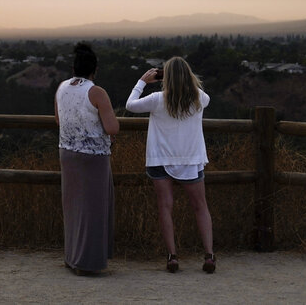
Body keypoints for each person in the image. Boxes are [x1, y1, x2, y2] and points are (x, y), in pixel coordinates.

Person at [126, 56, 215, 273]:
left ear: (165, 77)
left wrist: (142, 82)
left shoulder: (157, 99)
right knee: (200, 207)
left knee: (165, 207)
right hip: (190, 160)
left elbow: (130, 105)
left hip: (161, 160)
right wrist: (179, 77)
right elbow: (202, 94)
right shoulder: (200, 99)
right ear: (188, 75)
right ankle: (209, 255)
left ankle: (172, 257)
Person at [54, 42, 119, 275]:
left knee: (73, 206)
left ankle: (72, 257)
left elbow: (59, 121)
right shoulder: (96, 92)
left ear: (74, 67)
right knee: (93, 209)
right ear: (95, 69)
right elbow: (112, 127)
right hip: (93, 157)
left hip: (67, 153)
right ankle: (88, 262)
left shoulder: (62, 88)